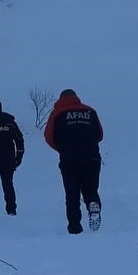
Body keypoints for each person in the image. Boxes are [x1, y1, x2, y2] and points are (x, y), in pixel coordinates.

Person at [44, 89, 104, 234]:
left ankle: (74, 227)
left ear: (61, 99)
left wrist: (62, 149)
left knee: (72, 194)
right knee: (90, 189)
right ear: (76, 97)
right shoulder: (90, 111)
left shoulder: (57, 114)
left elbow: (48, 137)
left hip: (69, 159)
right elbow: (100, 134)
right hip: (92, 157)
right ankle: (93, 204)